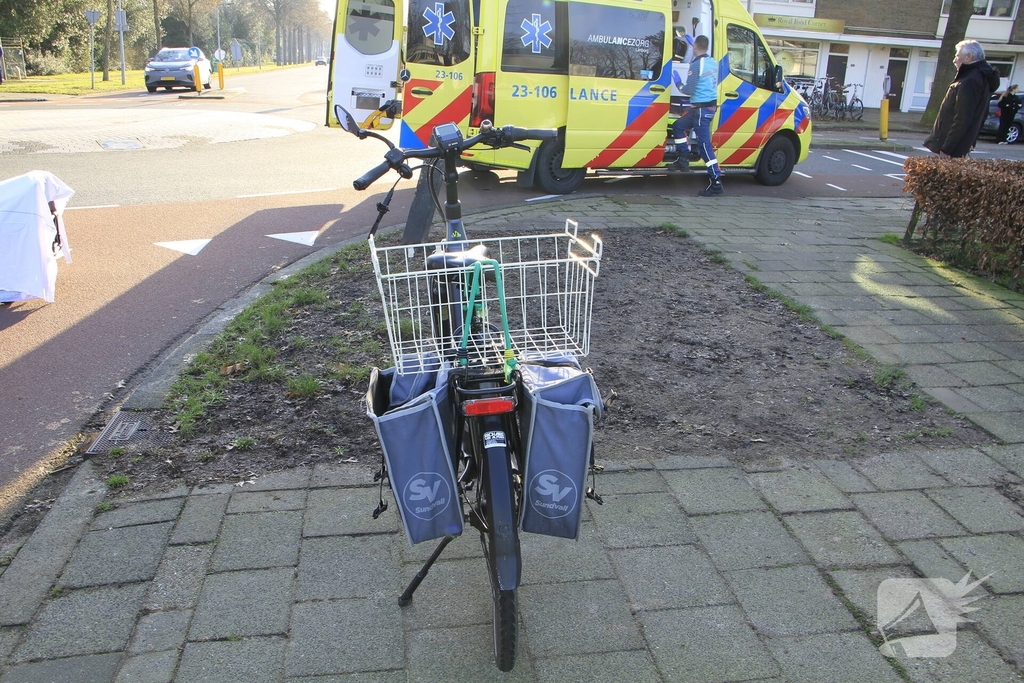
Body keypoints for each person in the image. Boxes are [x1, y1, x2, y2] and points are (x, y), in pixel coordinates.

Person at [667, 34, 724, 196]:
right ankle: (683, 158)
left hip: (701, 110)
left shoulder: (696, 65)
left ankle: (716, 181)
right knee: (678, 126)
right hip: (705, 108)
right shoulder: (712, 62)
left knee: (704, 145)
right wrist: (694, 46)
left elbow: (688, 90)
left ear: (694, 47)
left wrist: (677, 81)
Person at [923, 39, 1000, 158]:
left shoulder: (970, 80)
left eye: (957, 56)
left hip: (951, 149)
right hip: (958, 145)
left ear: (968, 57)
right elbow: (981, 113)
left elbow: (962, 117)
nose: (954, 60)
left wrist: (947, 149)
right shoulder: (979, 77)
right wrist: (972, 140)